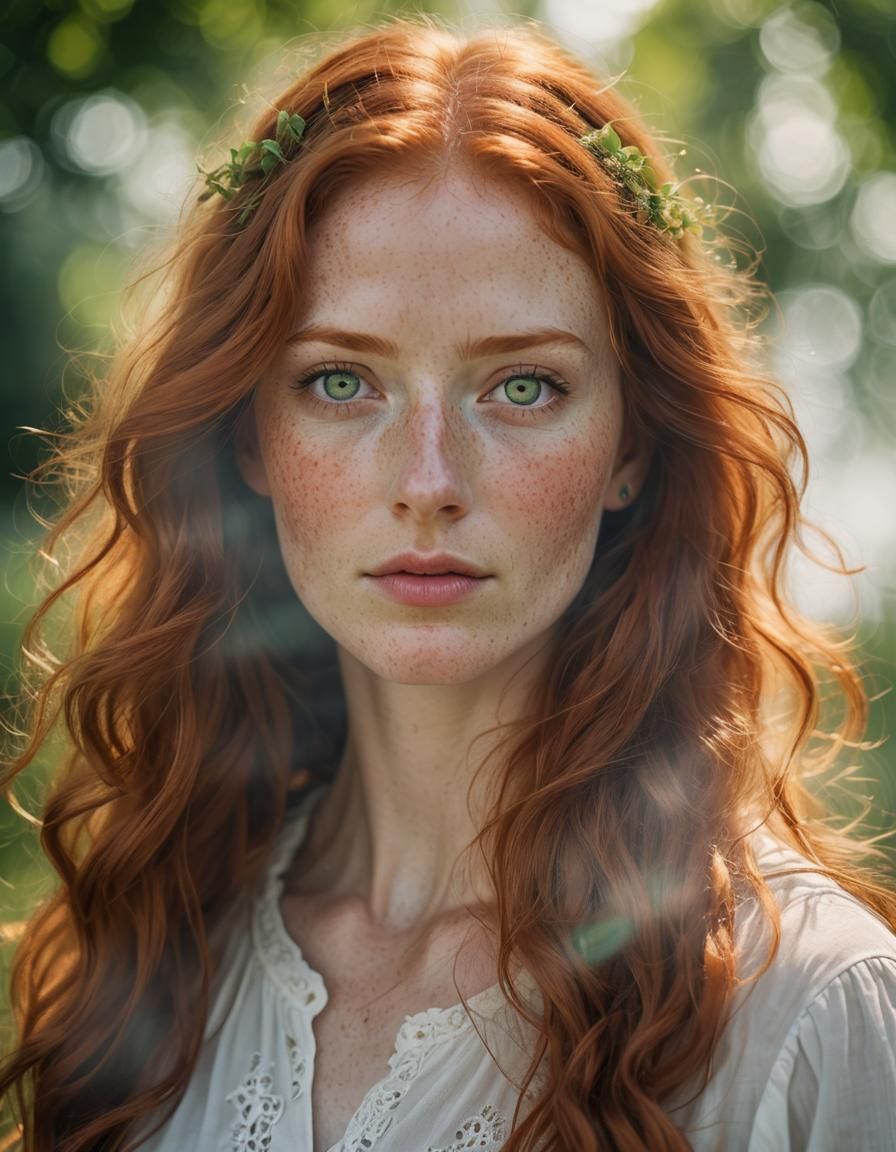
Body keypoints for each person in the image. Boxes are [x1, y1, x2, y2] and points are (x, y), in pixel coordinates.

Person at [1, 14, 895, 1152]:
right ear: (245, 438)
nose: (427, 481)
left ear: (632, 446)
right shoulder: (159, 944)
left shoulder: (803, 1014)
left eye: (520, 388)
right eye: (339, 382)